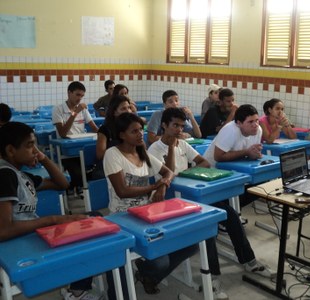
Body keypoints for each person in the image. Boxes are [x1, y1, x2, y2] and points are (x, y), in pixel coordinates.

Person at [0, 122, 102, 300]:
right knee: (91, 226)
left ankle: (77, 287)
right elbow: (3, 231)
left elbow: (62, 184)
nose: (35, 150)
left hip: (31, 234)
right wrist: (52, 220)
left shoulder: (20, 175)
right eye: (30, 145)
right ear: (10, 150)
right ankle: (76, 290)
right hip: (17, 244)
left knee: (93, 218)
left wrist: (44, 158)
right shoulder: (4, 175)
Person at [103, 112, 197, 297]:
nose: (140, 134)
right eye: (134, 131)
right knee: (159, 262)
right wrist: (153, 186)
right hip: (122, 217)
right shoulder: (112, 154)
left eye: (141, 130)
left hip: (147, 214)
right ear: (122, 135)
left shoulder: (142, 153)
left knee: (191, 244)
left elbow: (168, 172)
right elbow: (122, 191)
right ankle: (147, 271)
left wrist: (162, 187)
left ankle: (148, 275)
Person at [148, 107, 229, 299]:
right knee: (205, 227)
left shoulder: (183, 144)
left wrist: (187, 173)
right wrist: (170, 149)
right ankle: (213, 278)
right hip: (167, 200)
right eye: (174, 125)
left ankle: (244, 260)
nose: (178, 129)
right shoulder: (154, 149)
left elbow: (204, 163)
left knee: (227, 213)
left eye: (181, 126)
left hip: (187, 196)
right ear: (164, 125)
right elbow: (168, 174)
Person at [203, 104, 276, 274]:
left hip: (233, 176)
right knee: (232, 216)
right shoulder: (230, 130)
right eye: (250, 122)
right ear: (238, 123)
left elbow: (251, 153)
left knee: (262, 185)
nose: (255, 125)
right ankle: (247, 258)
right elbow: (218, 157)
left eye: (257, 121)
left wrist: (255, 153)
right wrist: (246, 152)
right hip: (212, 178)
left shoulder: (257, 131)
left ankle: (224, 218)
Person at [52, 81, 99, 193]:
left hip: (82, 147)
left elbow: (93, 127)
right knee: (78, 174)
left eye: (82, 96)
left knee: (97, 170)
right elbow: (63, 133)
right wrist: (74, 113)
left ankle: (87, 190)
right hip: (68, 152)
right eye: (77, 95)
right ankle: (73, 188)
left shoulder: (83, 109)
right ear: (69, 93)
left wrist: (103, 134)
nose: (80, 98)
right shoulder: (58, 109)